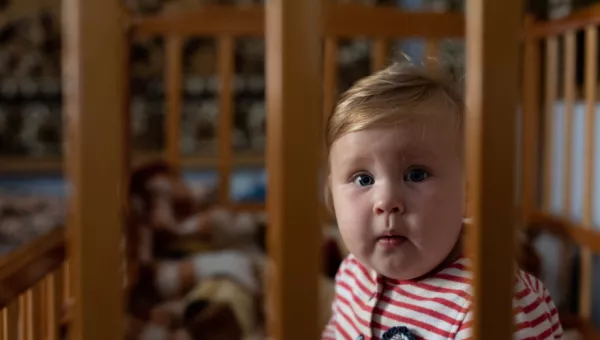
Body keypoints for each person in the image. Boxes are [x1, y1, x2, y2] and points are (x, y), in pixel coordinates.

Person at [321, 61, 563, 340]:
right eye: (363, 179)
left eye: (416, 174)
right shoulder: (352, 273)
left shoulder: (493, 305)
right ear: (331, 197)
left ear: (469, 193)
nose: (386, 201)